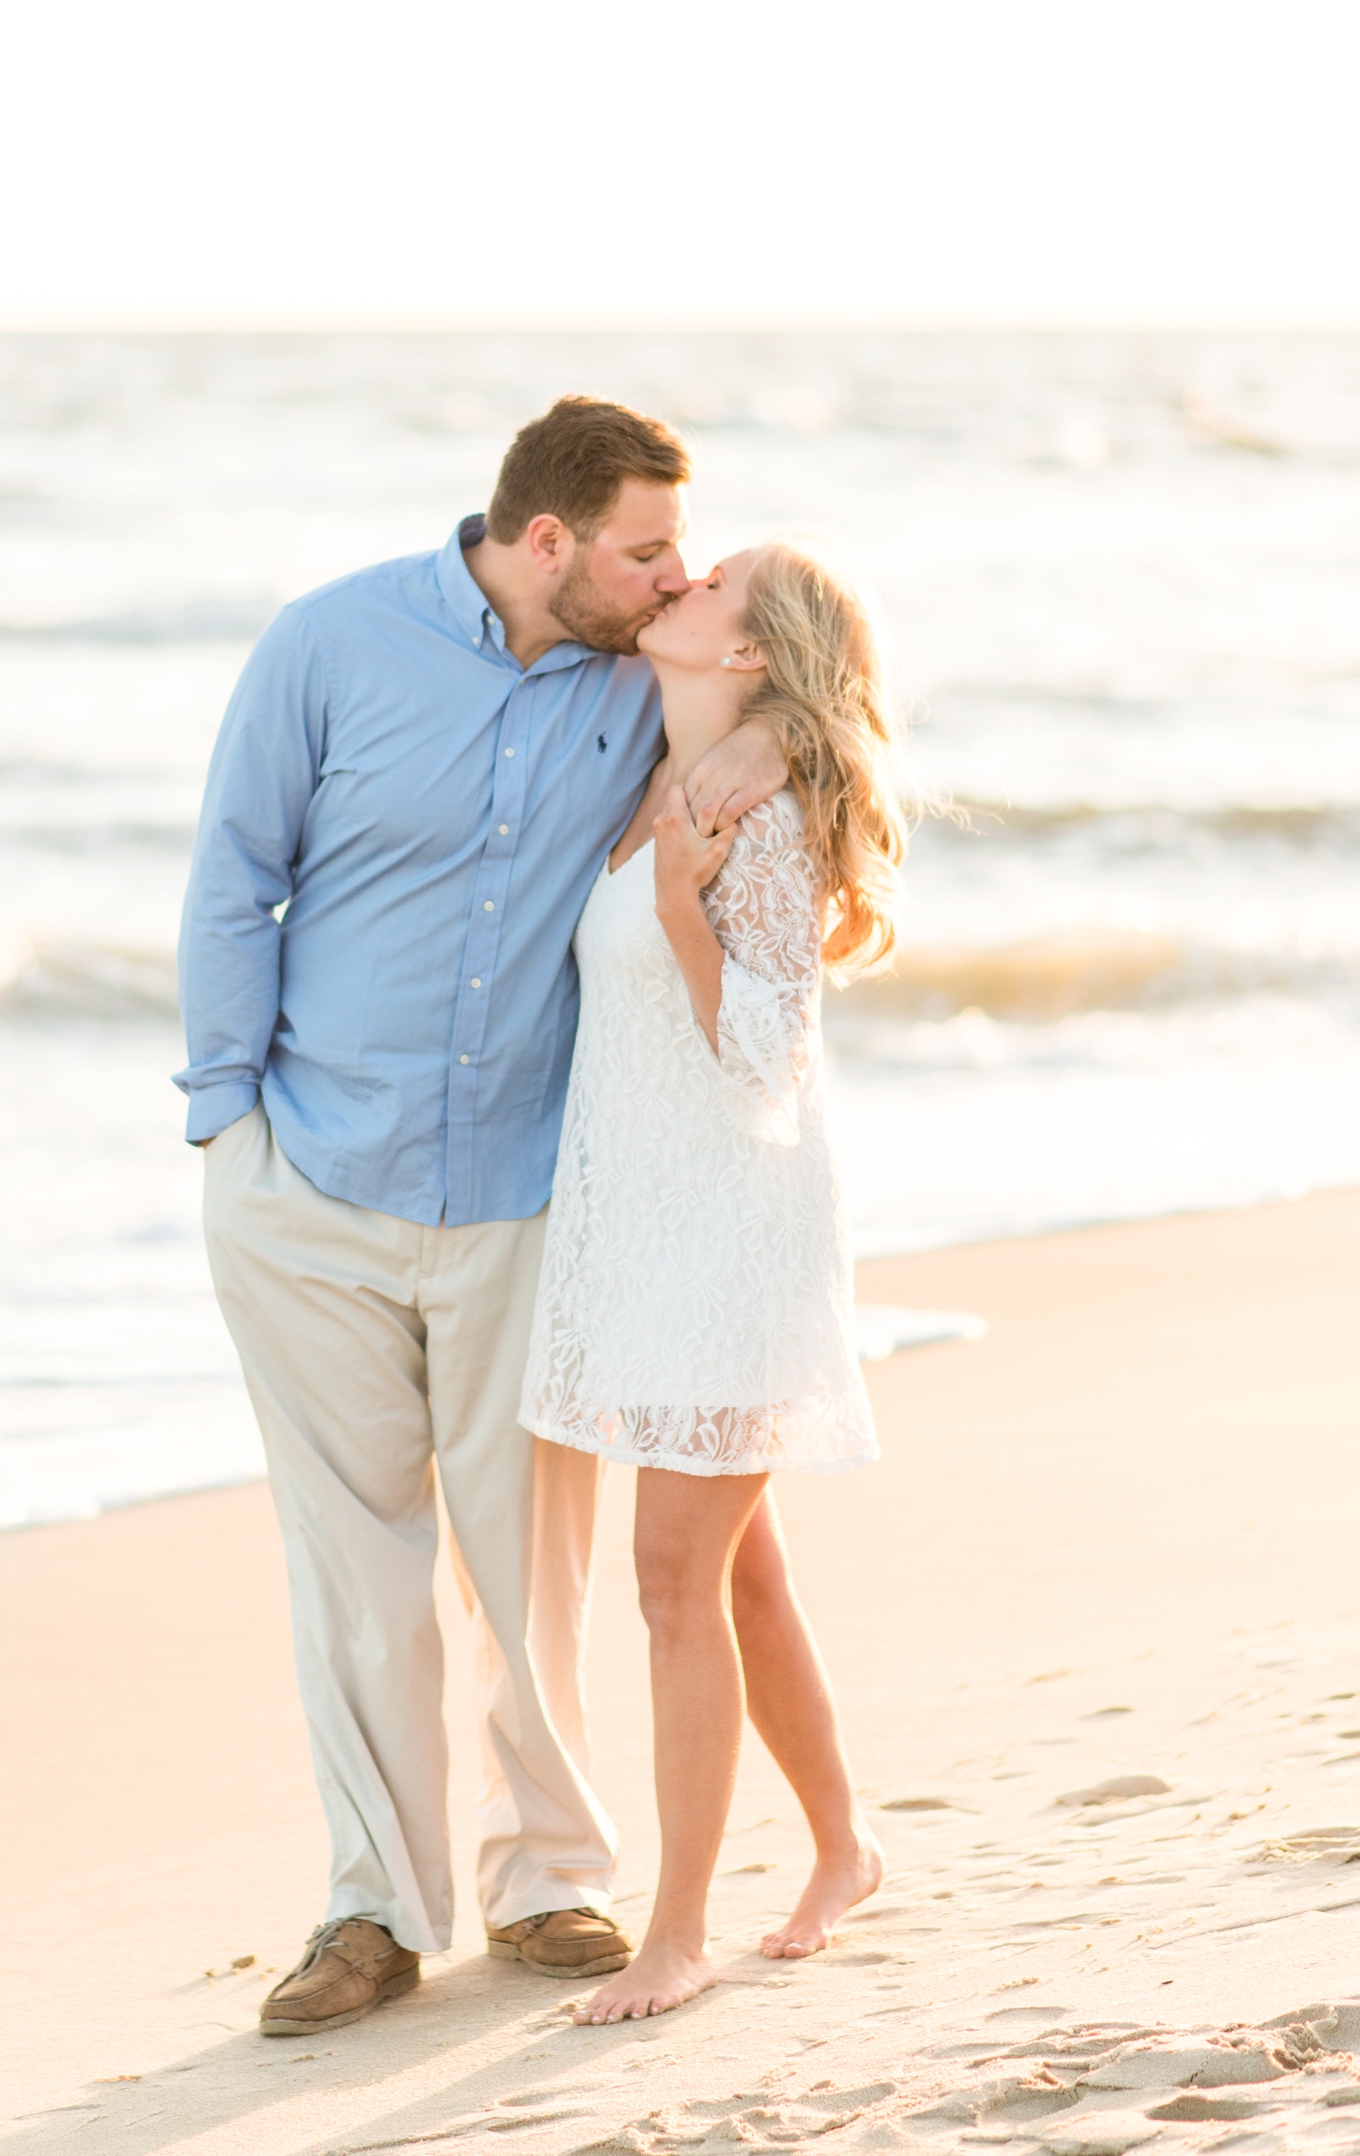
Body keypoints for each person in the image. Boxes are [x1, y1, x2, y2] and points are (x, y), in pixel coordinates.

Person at [175, 396, 787, 2035]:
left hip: (528, 1190)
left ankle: (549, 1881)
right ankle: (371, 1909)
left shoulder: (638, 675)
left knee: (534, 1563)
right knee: (355, 1565)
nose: (677, 577)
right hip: (309, 1177)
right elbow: (237, 871)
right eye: (647, 548)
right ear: (547, 541)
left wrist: (771, 737)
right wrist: (225, 1120)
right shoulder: (330, 642)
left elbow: (819, 683)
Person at [519, 540, 906, 2023]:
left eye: (711, 585)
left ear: (748, 653)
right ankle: (845, 1843)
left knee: (676, 1580)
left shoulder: (767, 817)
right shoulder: (671, 775)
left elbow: (762, 1065)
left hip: (737, 1230)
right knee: (738, 1566)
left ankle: (675, 1930)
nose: (677, 584)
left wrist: (686, 909)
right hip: (652, 1233)